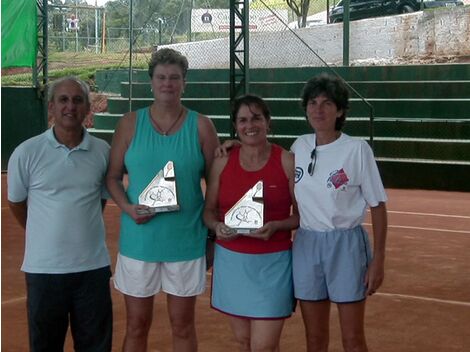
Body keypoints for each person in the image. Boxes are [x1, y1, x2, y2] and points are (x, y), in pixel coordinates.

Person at [106, 48, 219, 352]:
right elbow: (112, 178)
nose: (167, 83)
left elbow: (217, 184)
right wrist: (128, 208)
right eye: (161, 77)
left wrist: (211, 237)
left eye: (174, 78)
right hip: (138, 242)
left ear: (184, 82)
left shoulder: (202, 126)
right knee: (136, 326)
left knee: (182, 326)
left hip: (185, 241)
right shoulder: (129, 124)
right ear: (151, 82)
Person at [7, 76, 113, 352]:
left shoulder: (102, 152)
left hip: (92, 270)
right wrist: (43, 234)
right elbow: (17, 203)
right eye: (63, 100)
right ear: (51, 107)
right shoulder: (26, 152)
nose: (70, 106)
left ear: (88, 107)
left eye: (78, 100)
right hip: (44, 271)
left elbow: (100, 201)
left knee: (95, 346)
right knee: (45, 346)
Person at [291, 73, 388, 352]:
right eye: (312, 102)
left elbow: (378, 207)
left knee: (353, 340)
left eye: (326, 103)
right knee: (315, 339)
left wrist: (378, 260)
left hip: (346, 246)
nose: (318, 109)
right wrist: (233, 146)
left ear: (340, 110)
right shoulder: (299, 146)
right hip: (307, 245)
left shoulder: (357, 149)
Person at [203, 94, 299, 352]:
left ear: (268, 122)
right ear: (235, 126)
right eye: (243, 120)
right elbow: (208, 212)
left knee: (263, 346)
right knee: (245, 342)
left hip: (274, 264)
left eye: (256, 118)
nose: (250, 125)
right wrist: (216, 227)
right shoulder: (222, 160)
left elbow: (300, 216)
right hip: (232, 263)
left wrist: (277, 226)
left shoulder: (287, 160)